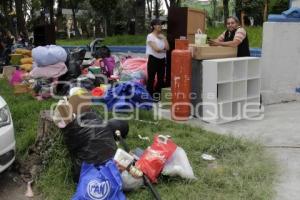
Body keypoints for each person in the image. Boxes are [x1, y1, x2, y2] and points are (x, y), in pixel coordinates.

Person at [146, 19, 169, 100]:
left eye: (160, 24)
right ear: (153, 26)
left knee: (161, 78)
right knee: (151, 78)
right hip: (153, 59)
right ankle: (149, 96)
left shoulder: (162, 36)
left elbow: (168, 48)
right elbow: (157, 49)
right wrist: (164, 50)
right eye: (158, 24)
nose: (160, 26)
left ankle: (157, 95)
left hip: (162, 59)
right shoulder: (150, 36)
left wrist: (165, 38)